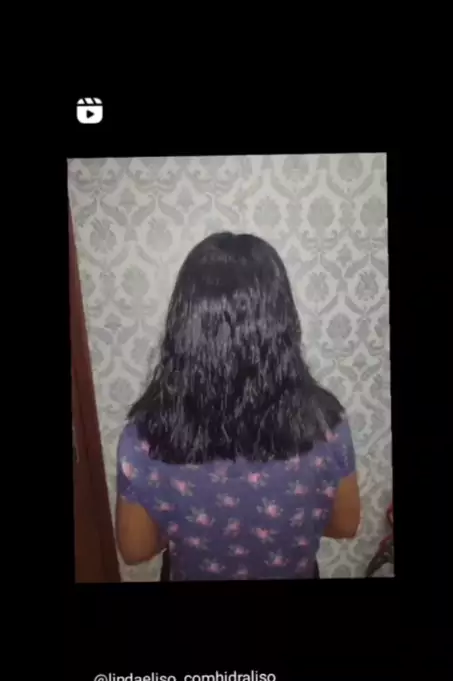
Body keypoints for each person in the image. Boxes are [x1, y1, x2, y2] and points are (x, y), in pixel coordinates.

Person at [116, 232, 360, 580]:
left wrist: (185, 527)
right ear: (282, 321)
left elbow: (136, 550)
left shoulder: (145, 437)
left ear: (184, 323)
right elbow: (345, 525)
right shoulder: (326, 425)